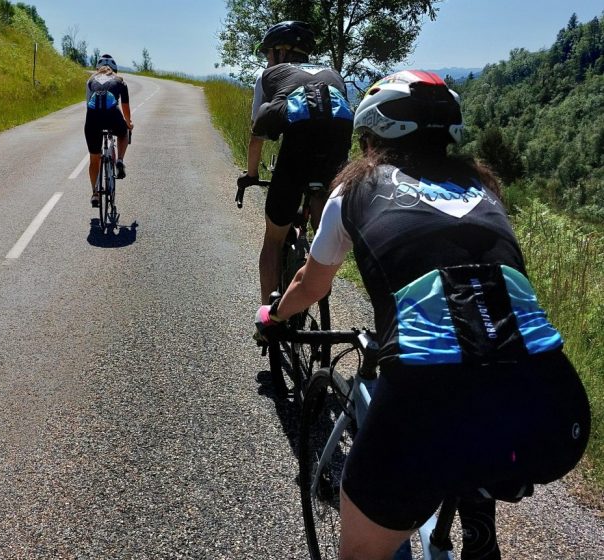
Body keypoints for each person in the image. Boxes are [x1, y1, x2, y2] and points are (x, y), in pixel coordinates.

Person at [255, 70, 591, 560]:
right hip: (555, 409)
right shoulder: (487, 191)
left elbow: (312, 283)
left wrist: (277, 316)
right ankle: (476, 499)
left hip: (426, 399)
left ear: (371, 137)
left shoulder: (356, 188)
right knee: (479, 435)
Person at [237, 21, 353, 305]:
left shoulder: (270, 74)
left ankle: (267, 320)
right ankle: (318, 271)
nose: (267, 59)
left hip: (296, 147)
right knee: (323, 214)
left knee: (273, 241)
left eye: (268, 53)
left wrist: (251, 175)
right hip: (337, 143)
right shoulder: (333, 74)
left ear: (280, 51)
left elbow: (258, 134)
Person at [85, 54, 132, 208]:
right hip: (112, 115)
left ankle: (95, 194)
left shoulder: (90, 80)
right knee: (123, 133)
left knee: (94, 158)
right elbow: (125, 108)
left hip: (93, 119)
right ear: (115, 70)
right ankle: (119, 160)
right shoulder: (120, 81)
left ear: (98, 69)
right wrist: (129, 123)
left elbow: (88, 104)